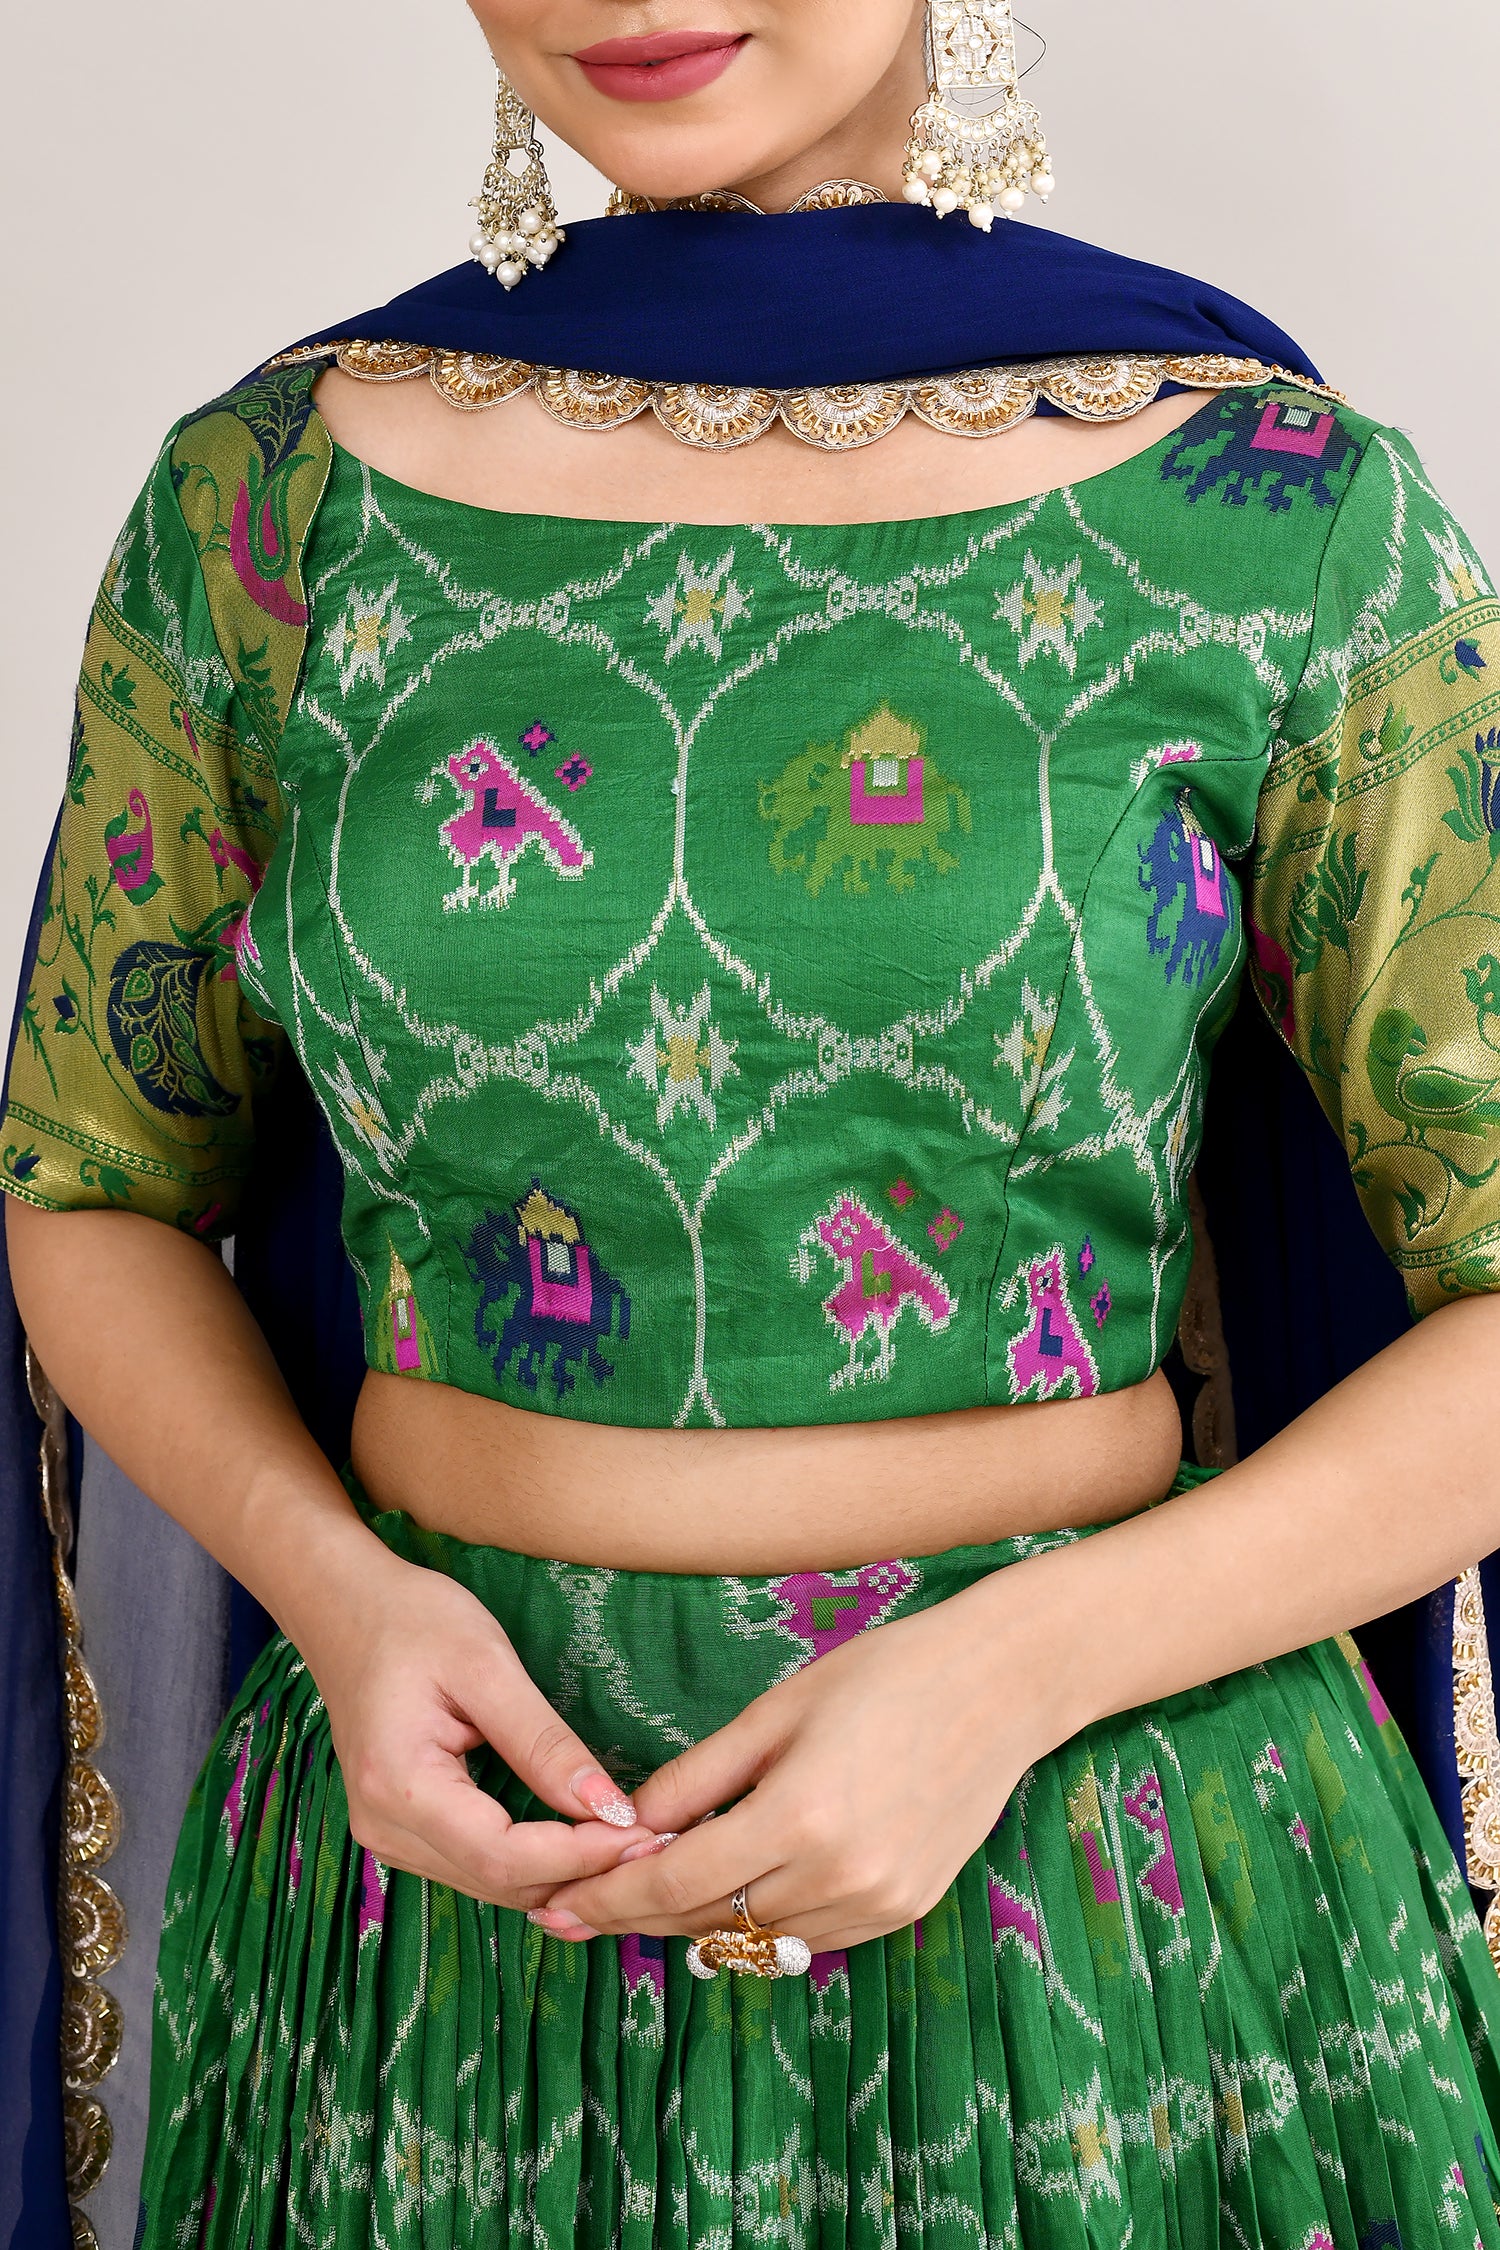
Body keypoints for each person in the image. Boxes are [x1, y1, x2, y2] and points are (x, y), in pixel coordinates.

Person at [7, 0, 1500, 2241]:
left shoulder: (1272, 509)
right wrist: (338, 1602)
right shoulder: (276, 502)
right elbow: (92, 1180)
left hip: (1103, 1913)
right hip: (442, 1919)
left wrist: (1013, 1675)